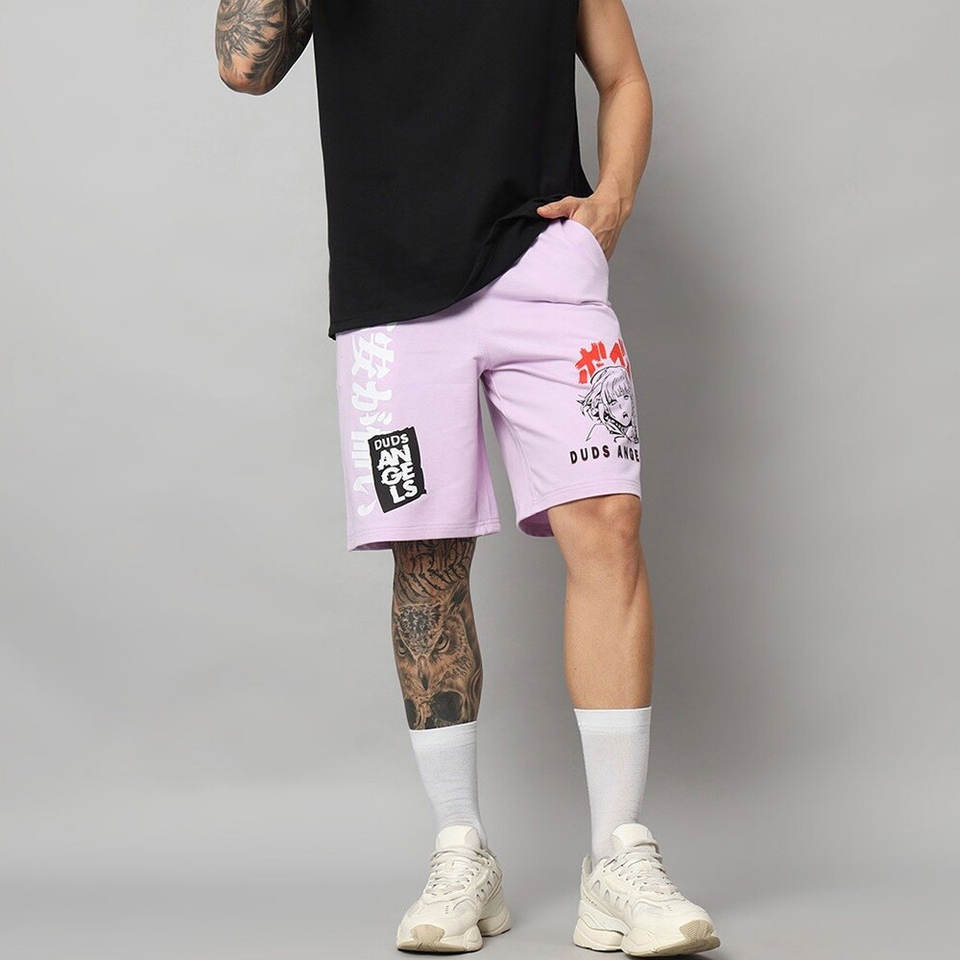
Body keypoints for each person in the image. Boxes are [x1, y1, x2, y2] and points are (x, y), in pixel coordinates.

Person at [214, 1, 719, 955]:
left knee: (607, 523)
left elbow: (624, 76)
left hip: (547, 270)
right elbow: (245, 67)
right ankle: (462, 851)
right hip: (392, 295)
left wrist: (611, 201)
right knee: (428, 557)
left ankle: (618, 855)